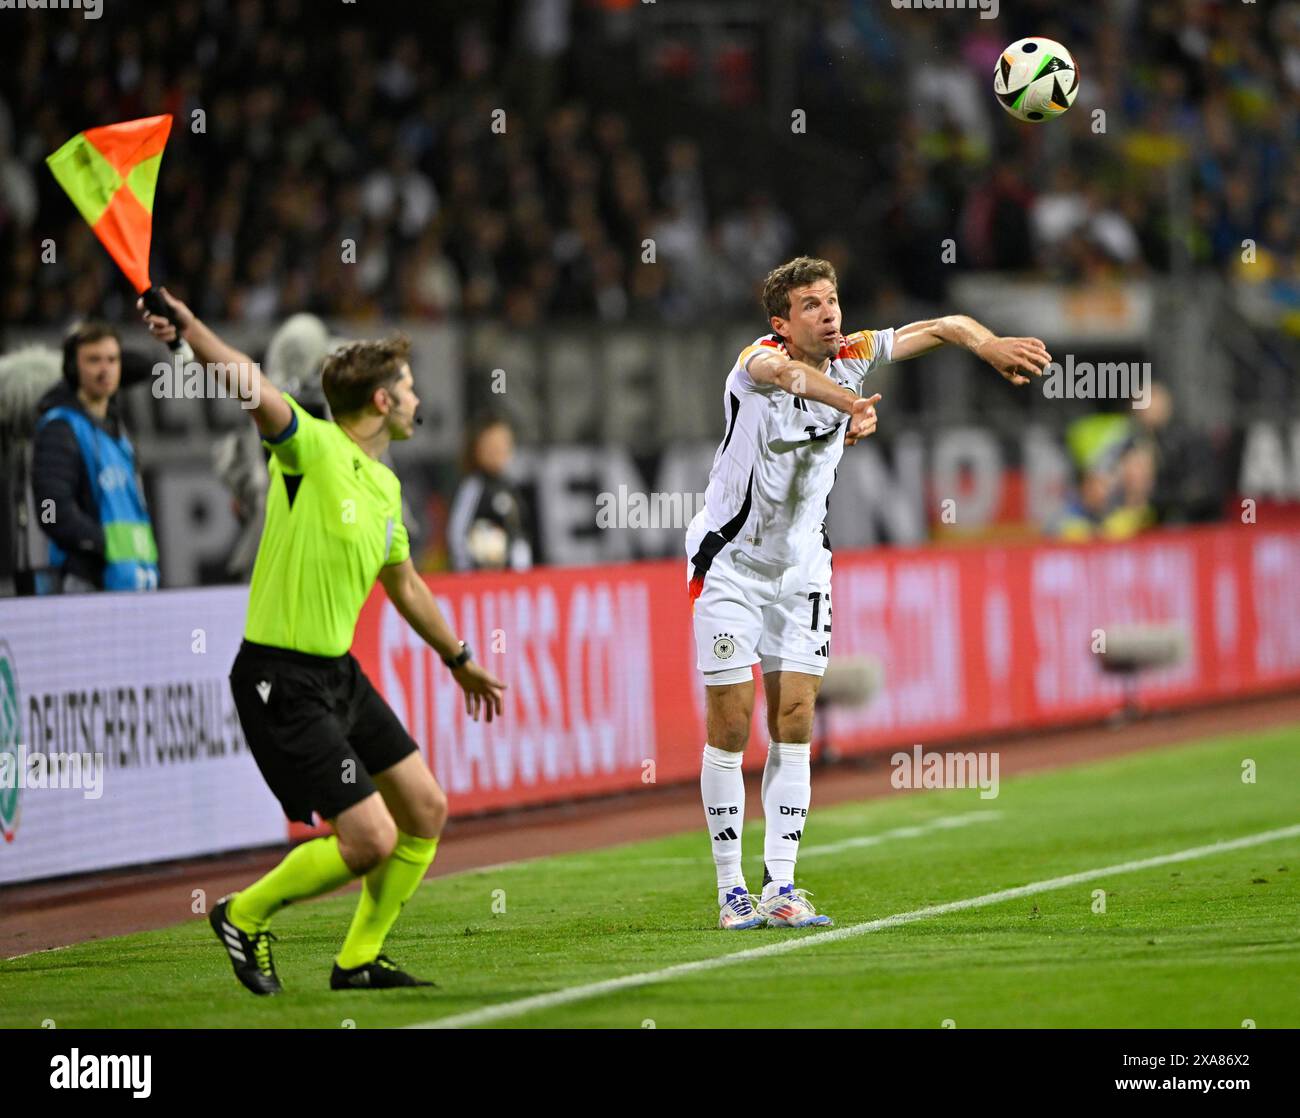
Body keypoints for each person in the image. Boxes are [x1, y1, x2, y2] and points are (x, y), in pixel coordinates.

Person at [140, 288, 507, 995]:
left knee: (425, 810)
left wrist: (458, 659)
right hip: (281, 680)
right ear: (379, 401)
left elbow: (405, 587)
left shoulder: (385, 490)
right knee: (369, 840)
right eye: (406, 387)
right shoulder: (310, 445)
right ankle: (242, 914)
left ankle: (357, 961)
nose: (415, 398)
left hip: (338, 675)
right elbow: (249, 382)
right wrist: (188, 329)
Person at [687, 255, 1049, 930]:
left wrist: (988, 344)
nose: (830, 315)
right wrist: (848, 403)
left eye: (832, 301)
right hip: (729, 565)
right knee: (733, 725)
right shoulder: (756, 364)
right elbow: (792, 377)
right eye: (812, 306)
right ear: (781, 322)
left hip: (802, 569)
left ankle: (782, 887)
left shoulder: (854, 352)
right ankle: (730, 889)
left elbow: (942, 324)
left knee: (794, 717)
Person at [31, 321, 164, 593]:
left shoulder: (117, 431)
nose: (105, 369)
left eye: (112, 360)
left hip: (134, 578)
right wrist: (101, 543)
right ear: (72, 368)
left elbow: (146, 364)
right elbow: (49, 511)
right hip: (88, 580)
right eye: (93, 360)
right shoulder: (60, 428)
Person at [447, 414, 534, 572]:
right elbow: (457, 535)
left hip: (515, 583)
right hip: (483, 582)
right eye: (492, 445)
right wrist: (467, 574)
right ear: (476, 448)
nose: (499, 450)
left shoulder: (510, 487)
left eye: (504, 443)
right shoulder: (473, 486)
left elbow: (519, 536)